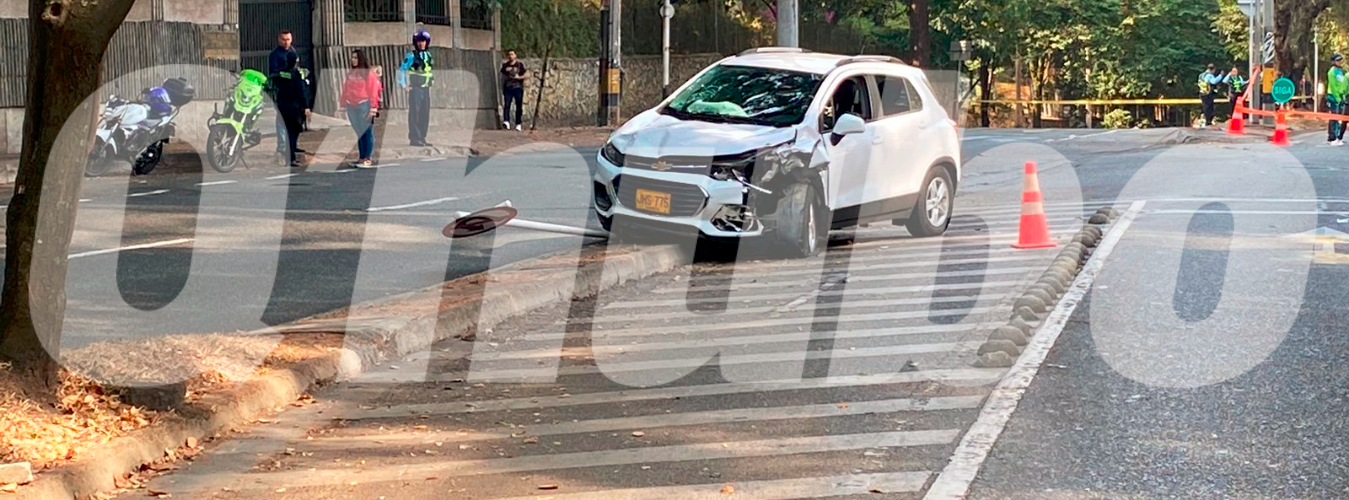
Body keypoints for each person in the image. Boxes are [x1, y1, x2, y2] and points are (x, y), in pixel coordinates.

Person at [341, 49, 381, 167]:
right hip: (351, 105)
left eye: (355, 58)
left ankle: (367, 157)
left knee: (366, 131)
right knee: (359, 132)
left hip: (363, 104)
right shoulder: (351, 74)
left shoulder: (368, 74)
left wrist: (373, 107)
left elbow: (373, 91)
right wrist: (343, 104)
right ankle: (361, 156)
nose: (353, 60)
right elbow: (345, 89)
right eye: (352, 58)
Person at [274, 51, 312, 167]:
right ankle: (290, 158)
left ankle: (290, 153)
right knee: (293, 132)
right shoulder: (296, 73)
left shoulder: (281, 72)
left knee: (286, 131)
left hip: (282, 106)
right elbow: (300, 91)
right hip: (293, 107)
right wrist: (306, 106)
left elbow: (276, 86)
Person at [398, 29, 434, 147]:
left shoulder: (428, 55)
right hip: (416, 88)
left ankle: (422, 137)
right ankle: (414, 138)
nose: (421, 43)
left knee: (425, 113)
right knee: (415, 113)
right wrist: (404, 85)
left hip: (426, 89)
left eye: (423, 41)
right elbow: (402, 70)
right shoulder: (411, 56)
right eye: (419, 41)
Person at [269, 30, 297, 161]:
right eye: (284, 39)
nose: (286, 42)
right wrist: (286, 74)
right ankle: (282, 146)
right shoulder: (274, 55)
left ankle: (292, 145)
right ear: (279, 40)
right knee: (281, 120)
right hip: (281, 91)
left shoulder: (293, 52)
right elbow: (274, 73)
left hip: (293, 92)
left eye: (288, 39)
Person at [500, 50, 527, 131]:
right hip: (508, 87)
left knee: (518, 105)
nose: (510, 56)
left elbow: (526, 74)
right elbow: (502, 74)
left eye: (512, 54)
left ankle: (518, 123)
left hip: (517, 87)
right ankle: (506, 121)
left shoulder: (519, 65)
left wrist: (519, 77)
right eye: (509, 54)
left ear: (515, 55)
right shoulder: (505, 65)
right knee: (507, 104)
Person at [1197, 63, 1230, 128]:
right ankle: (1208, 121)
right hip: (1208, 94)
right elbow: (1214, 81)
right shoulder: (1209, 75)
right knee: (1209, 108)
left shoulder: (1201, 75)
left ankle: (1206, 120)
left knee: (1205, 107)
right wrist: (1221, 75)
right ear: (1213, 69)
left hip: (1202, 93)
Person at [1327, 54, 1348, 146]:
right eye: (1337, 60)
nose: (1339, 62)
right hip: (1333, 96)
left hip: (1339, 96)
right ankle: (1332, 137)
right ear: (1333, 62)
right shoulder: (1331, 72)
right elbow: (1333, 86)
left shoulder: (1340, 71)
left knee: (1338, 117)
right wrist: (1337, 97)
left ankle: (1336, 136)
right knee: (1334, 117)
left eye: (1340, 60)